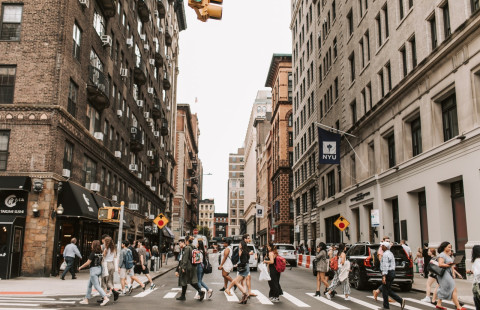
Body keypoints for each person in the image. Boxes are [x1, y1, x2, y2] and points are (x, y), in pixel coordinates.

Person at [435, 241, 466, 310]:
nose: (450, 248)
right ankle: (458, 306)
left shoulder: (447, 255)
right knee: (453, 288)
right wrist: (448, 265)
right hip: (443, 273)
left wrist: (454, 273)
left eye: (450, 247)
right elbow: (440, 264)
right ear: (444, 247)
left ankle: (439, 304)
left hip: (448, 273)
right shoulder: (442, 255)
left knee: (445, 288)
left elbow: (451, 266)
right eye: (448, 247)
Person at [78, 240, 109, 306]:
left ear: (93, 245)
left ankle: (105, 298)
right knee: (89, 285)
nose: (91, 245)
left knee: (96, 286)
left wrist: (80, 267)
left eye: (92, 244)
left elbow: (88, 262)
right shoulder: (100, 253)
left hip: (93, 270)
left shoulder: (92, 253)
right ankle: (86, 299)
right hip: (99, 269)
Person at [379, 241, 405, 310]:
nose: (381, 247)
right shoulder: (390, 253)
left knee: (385, 290)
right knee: (387, 290)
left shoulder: (385, 254)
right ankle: (400, 300)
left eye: (382, 246)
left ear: (386, 247)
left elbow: (385, 265)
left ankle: (386, 307)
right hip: (392, 272)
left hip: (388, 273)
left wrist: (384, 276)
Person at [225, 234, 250, 304]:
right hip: (246, 267)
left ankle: (246, 293)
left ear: (242, 245)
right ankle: (244, 299)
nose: (239, 245)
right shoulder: (245, 250)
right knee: (243, 283)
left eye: (239, 244)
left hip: (244, 268)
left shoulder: (244, 252)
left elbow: (244, 262)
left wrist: (237, 264)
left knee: (236, 282)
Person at [466, 245, 480, 309]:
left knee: (477, 302)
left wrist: (472, 272)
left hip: (478, 284)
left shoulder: (477, 261)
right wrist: (472, 271)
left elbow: (478, 273)